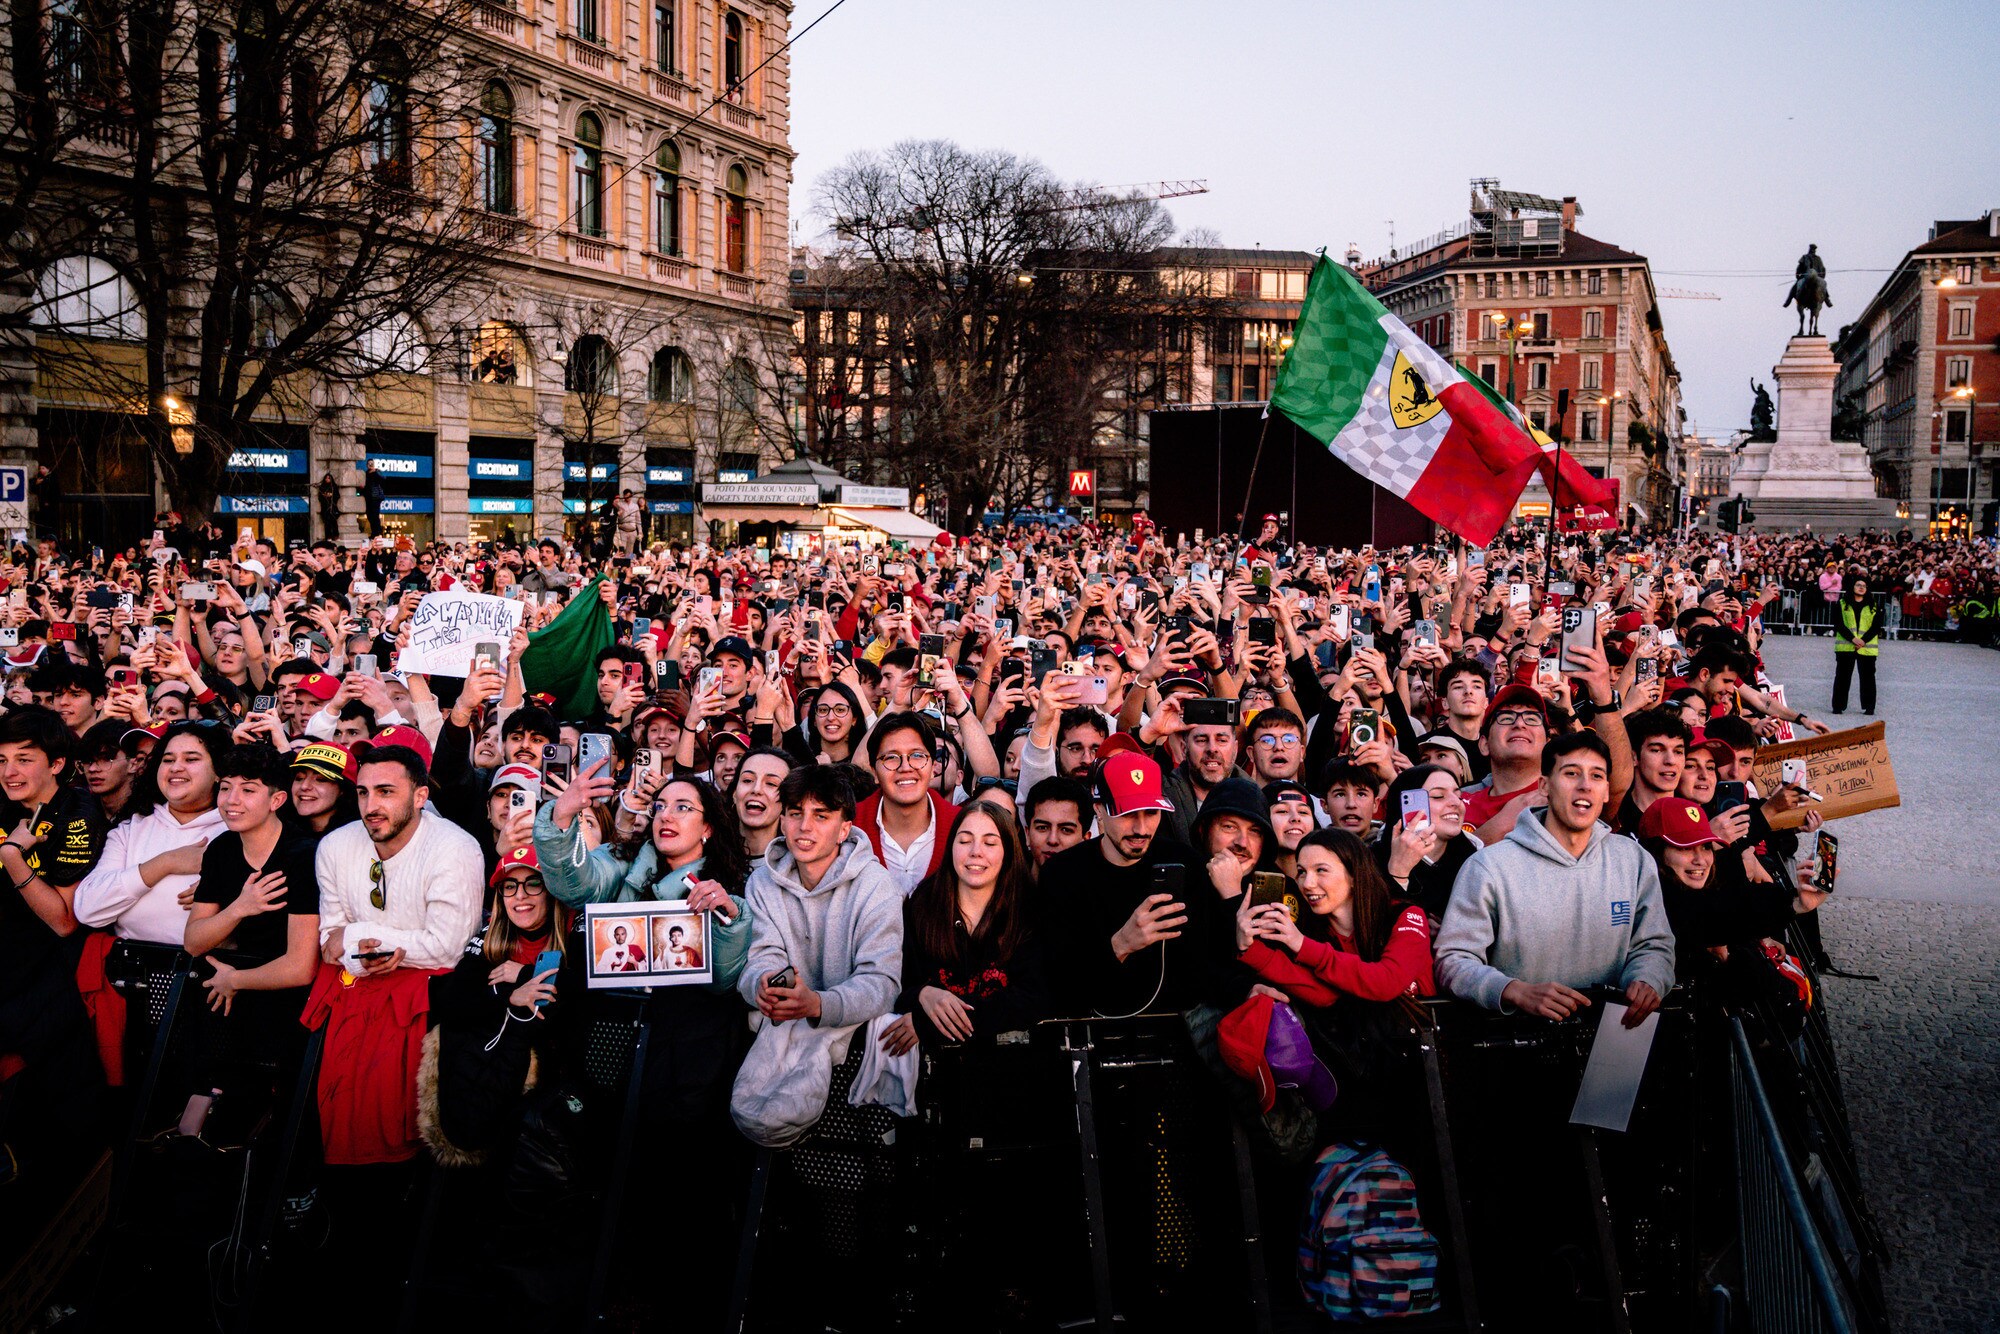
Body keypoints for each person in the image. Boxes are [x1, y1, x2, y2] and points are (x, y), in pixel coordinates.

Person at [307, 745, 483, 1166]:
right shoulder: (334, 846)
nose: (371, 805)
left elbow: (449, 946)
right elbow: (328, 937)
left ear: (420, 796)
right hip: (352, 996)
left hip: (428, 1006)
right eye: (363, 792)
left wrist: (361, 936)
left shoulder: (455, 848)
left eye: (386, 791)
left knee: (411, 1141)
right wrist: (354, 951)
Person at [1435, 731, 1675, 1028]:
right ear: (1544, 786)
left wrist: (1648, 978)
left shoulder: (1633, 860)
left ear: (1606, 791)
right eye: (1571, 773)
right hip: (1515, 1044)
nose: (1585, 785)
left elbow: (1654, 944)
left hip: (1613, 1039)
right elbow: (1453, 961)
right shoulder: (1489, 867)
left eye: (1597, 776)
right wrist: (1513, 990)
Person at [1039, 752, 1240, 1017]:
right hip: (1094, 1029)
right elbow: (1058, 985)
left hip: (1178, 1029)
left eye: (1151, 812)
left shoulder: (1185, 864)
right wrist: (1122, 944)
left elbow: (1208, 965)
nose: (1141, 828)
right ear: (1098, 809)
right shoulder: (1062, 874)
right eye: (1127, 814)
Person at [881, 801, 1051, 1054]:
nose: (975, 851)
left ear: (1008, 851)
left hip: (1012, 1065)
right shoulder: (923, 904)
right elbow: (895, 985)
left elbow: (1032, 999)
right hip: (937, 1069)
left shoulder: (1028, 908)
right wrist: (923, 995)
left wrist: (929, 1023)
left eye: (990, 843)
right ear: (951, 846)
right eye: (964, 840)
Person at [183, 743, 322, 1017]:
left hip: (293, 1004)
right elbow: (193, 942)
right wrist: (239, 908)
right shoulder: (221, 849)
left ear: (277, 801)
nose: (231, 800)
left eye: (248, 790)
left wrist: (235, 980)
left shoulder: (305, 855)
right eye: (225, 787)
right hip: (228, 994)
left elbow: (301, 967)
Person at [74, 721, 230, 948]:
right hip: (132, 972)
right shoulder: (130, 829)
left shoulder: (238, 829)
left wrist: (228, 885)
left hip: (214, 973)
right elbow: (88, 909)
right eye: (168, 760)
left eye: (191, 759)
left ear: (218, 772)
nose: (176, 767)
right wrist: (165, 863)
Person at [855, 711, 959, 894]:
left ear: (933, 766)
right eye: (891, 757)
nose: (905, 767)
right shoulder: (850, 827)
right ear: (874, 771)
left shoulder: (960, 825)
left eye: (917, 756)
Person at [1832, 570, 1880, 715]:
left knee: (1868, 679)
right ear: (1852, 587)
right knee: (1842, 677)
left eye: (1864, 586)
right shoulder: (1841, 603)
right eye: (1858, 585)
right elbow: (1838, 624)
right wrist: (1853, 639)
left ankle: (1869, 706)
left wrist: (1863, 641)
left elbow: (1876, 626)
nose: (1861, 588)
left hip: (1867, 648)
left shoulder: (1873, 605)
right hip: (1846, 646)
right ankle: (1838, 706)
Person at [1023, 774, 1089, 871]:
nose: (1052, 840)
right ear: (1027, 834)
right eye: (1042, 828)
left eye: (1066, 830)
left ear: (1085, 840)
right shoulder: (1004, 884)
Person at [361, 461, 386, 538]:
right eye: (369, 464)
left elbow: (383, 479)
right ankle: (374, 532)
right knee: (370, 516)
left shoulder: (377, 472)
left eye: (372, 464)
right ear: (367, 465)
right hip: (368, 497)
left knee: (375, 515)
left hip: (375, 497)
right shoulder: (366, 474)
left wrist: (375, 472)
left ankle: (377, 533)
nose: (370, 465)